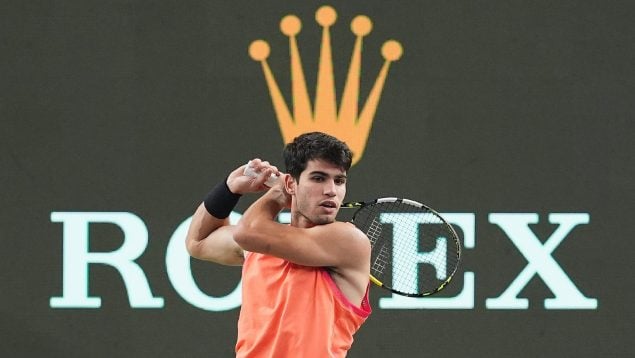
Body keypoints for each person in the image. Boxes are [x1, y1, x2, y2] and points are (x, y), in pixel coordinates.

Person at [185, 132, 372, 357]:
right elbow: (198, 241)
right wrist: (229, 189)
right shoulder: (260, 246)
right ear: (293, 182)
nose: (331, 190)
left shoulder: (348, 241)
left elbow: (247, 232)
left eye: (339, 180)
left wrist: (277, 193)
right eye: (318, 178)